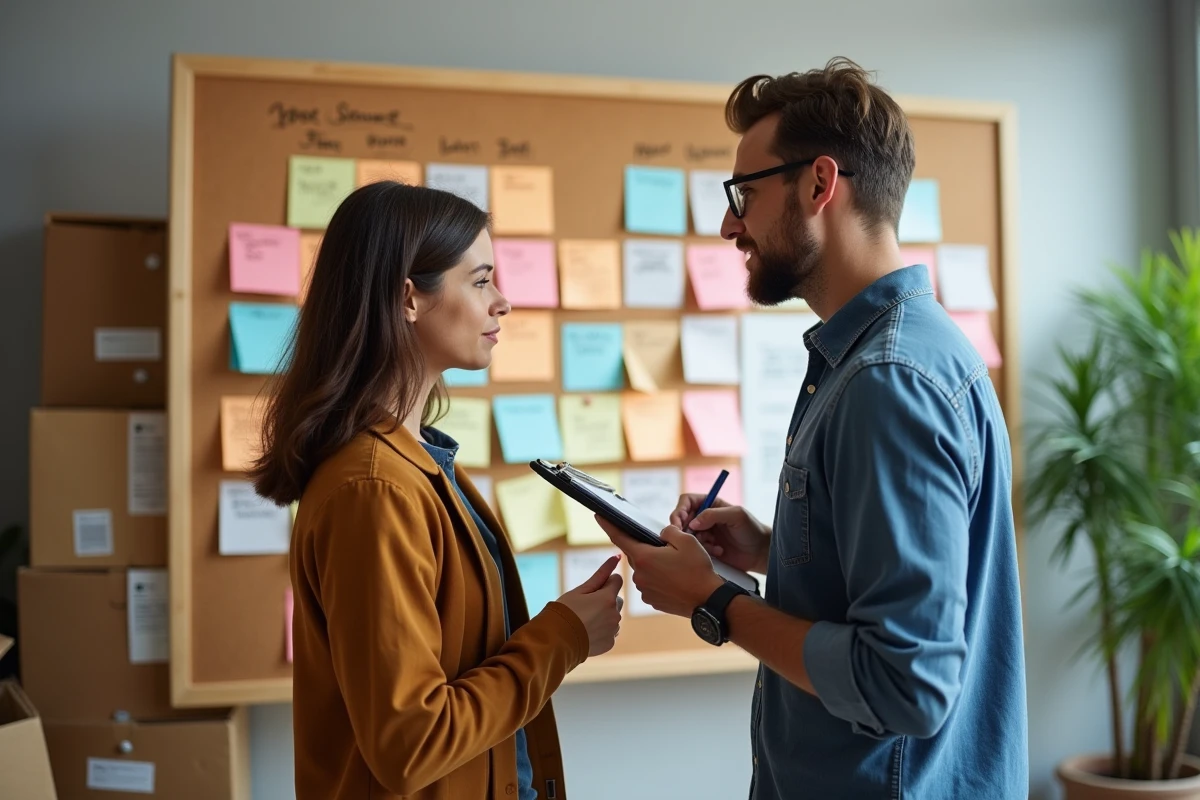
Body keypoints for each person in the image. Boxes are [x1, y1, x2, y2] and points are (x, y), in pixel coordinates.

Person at [597, 58, 1028, 798]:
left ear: (820, 184)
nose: (732, 224)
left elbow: (906, 685)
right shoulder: (887, 355)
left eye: (745, 194)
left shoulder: (888, 381)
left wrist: (715, 602)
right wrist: (772, 552)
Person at [250, 181, 623, 800]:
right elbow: (413, 742)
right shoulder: (374, 489)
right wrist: (564, 636)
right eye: (479, 281)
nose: (502, 302)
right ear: (408, 299)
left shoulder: (419, 461)